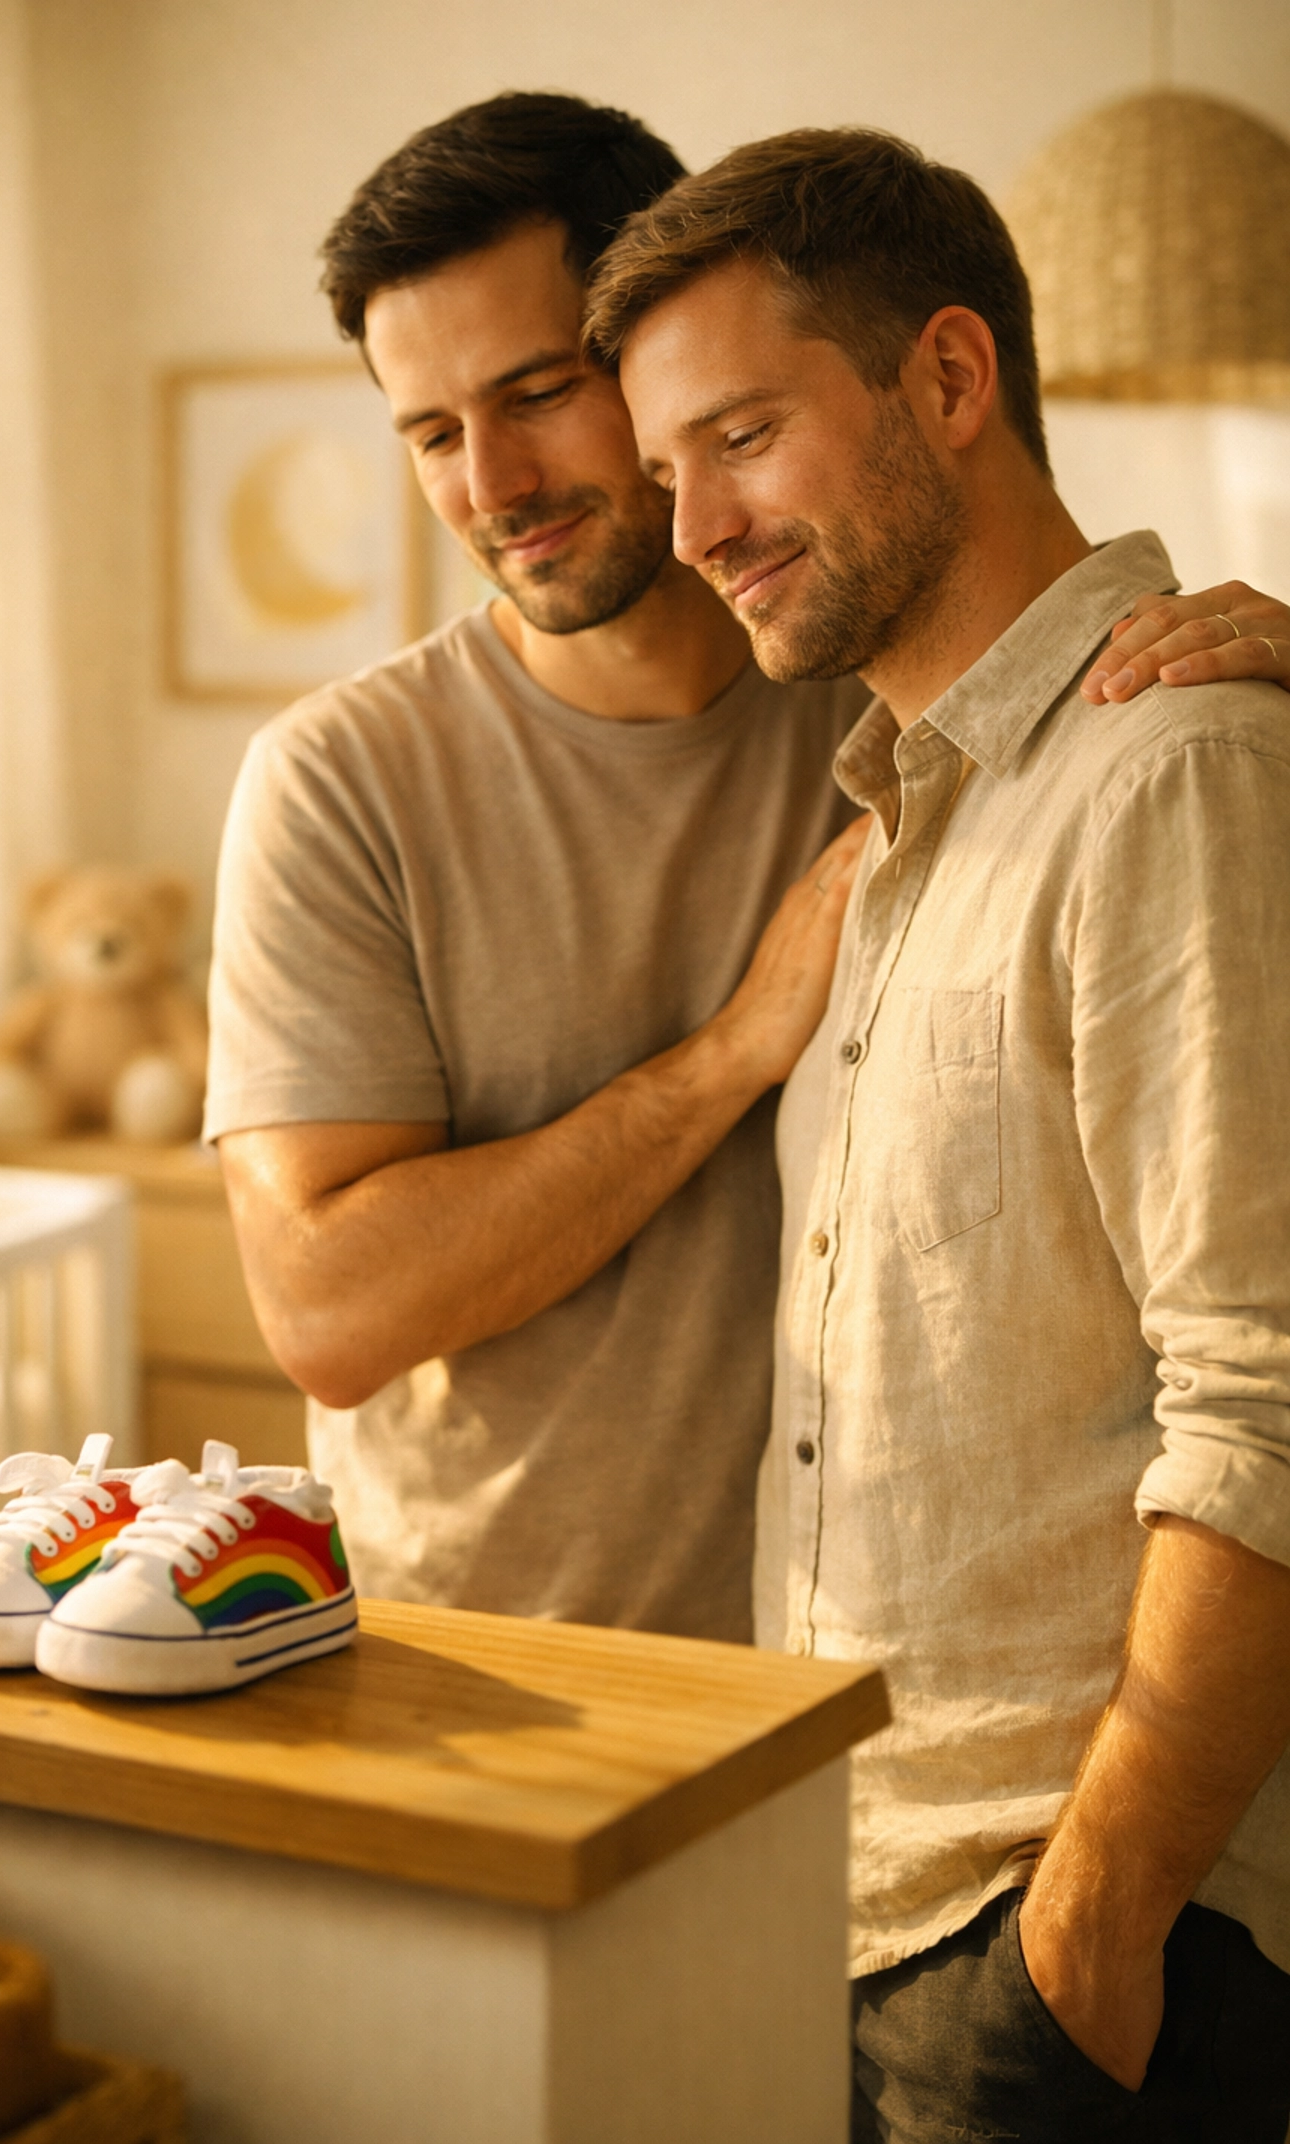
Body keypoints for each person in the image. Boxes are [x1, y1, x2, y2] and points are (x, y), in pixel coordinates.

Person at [205, 91, 1290, 1648]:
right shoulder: (340, 780)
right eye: (434, 434)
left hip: (851, 1712)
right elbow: (328, 1312)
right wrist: (730, 1055)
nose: (493, 483)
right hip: (488, 1666)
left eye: (538, 393)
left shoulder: (890, 673)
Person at [587, 125, 1290, 2139]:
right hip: (882, 1915)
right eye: (669, 475)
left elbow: (1266, 1404)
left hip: (1085, 1956)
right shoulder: (904, 827)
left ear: (952, 382)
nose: (697, 528)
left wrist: (1088, 1933)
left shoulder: (1176, 773)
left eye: (740, 439)